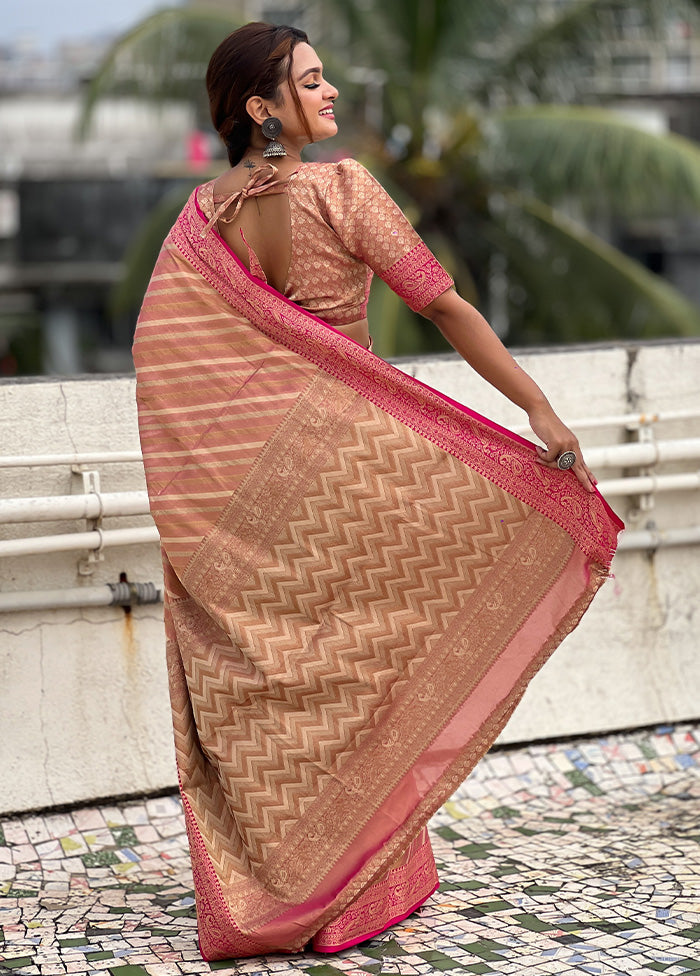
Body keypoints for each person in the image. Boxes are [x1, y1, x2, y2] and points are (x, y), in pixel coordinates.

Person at [132, 22, 622, 961]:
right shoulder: (340, 187)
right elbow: (440, 302)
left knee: (297, 683)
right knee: (366, 671)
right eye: (311, 83)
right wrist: (539, 411)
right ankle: (356, 891)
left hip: (261, 487)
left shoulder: (203, 216)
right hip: (353, 471)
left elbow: (167, 363)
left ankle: (297, 887)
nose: (333, 96)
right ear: (260, 107)